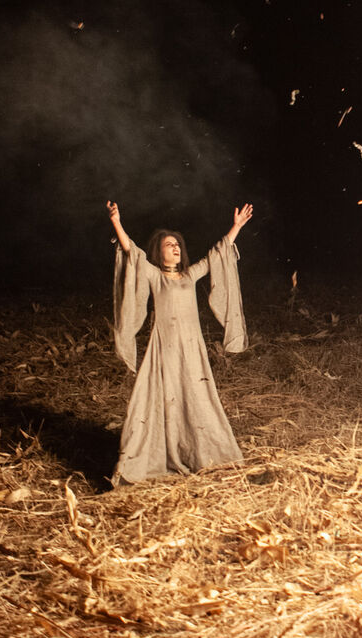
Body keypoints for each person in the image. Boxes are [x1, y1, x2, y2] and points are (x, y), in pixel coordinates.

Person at [106, 199, 254, 484]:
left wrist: (235, 227)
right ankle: (149, 460)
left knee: (197, 400)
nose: (175, 247)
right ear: (158, 253)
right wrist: (116, 222)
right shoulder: (154, 275)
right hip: (163, 352)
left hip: (191, 353)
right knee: (154, 402)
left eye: (177, 244)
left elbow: (216, 256)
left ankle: (205, 456)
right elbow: (131, 253)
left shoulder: (189, 275)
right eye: (168, 244)